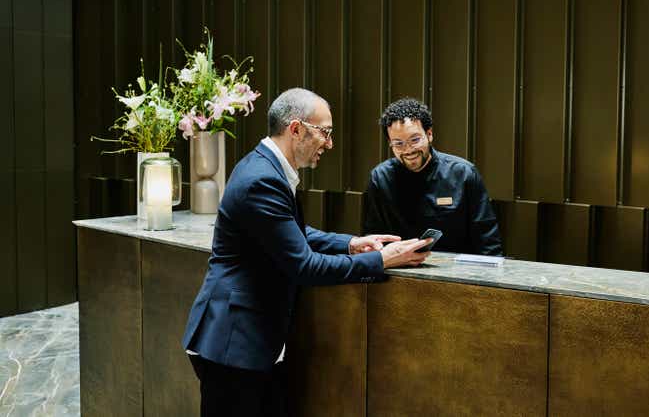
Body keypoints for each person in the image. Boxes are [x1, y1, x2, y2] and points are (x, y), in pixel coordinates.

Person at [182, 88, 431, 416]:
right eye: (325, 132)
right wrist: (382, 259)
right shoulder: (262, 179)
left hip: (245, 344)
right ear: (296, 129)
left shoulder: (265, 166)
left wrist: (351, 243)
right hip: (232, 345)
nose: (329, 144)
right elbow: (305, 267)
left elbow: (288, 233)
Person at [364, 97, 503, 256]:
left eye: (414, 140)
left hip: (458, 271)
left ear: (429, 134)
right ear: (390, 143)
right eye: (398, 143)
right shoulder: (380, 178)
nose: (408, 150)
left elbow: (488, 240)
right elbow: (373, 238)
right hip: (399, 269)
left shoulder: (463, 174)